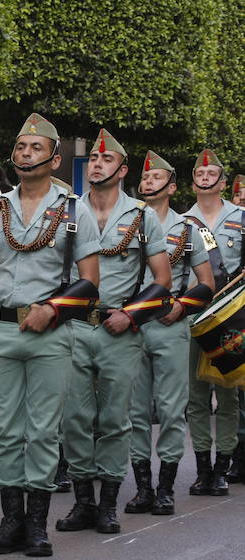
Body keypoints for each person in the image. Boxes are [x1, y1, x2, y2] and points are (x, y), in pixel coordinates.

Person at [0, 113, 101, 557]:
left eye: (35, 148)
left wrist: (52, 309)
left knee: (41, 430)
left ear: (55, 160)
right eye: (21, 148)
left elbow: (90, 281)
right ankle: (11, 520)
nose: (26, 154)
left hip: (51, 333)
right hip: (1, 331)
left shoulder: (75, 210)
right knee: (5, 429)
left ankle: (37, 522)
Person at [58, 129, 170, 536]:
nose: (98, 165)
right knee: (73, 418)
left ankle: (107, 504)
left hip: (119, 329)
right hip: (72, 326)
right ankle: (83, 502)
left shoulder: (141, 217)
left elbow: (162, 281)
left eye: (107, 161)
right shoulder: (66, 211)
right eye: (94, 161)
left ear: (122, 169)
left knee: (114, 420)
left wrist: (133, 316)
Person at [125, 150, 214, 516]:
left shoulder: (190, 229)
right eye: (145, 178)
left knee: (172, 410)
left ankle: (165, 488)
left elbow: (208, 282)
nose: (148, 183)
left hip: (169, 325)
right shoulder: (126, 223)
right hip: (132, 326)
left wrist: (181, 306)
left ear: (172, 187)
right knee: (134, 411)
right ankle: (143, 488)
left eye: (156, 178)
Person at [183, 149, 242, 496]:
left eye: (212, 175)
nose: (205, 179)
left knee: (228, 394)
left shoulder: (241, 218)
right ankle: (202, 468)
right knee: (196, 396)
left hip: (231, 317)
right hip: (194, 317)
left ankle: (223, 467)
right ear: (192, 184)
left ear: (222, 180)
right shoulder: (181, 220)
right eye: (200, 175)